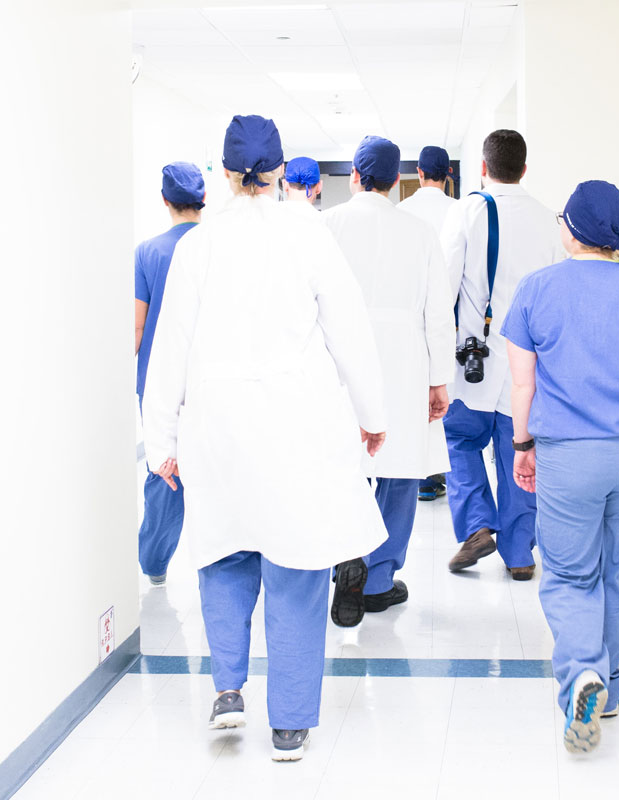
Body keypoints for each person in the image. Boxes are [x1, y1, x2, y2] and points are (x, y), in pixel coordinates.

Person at [142, 115, 389, 761]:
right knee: (296, 568)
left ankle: (228, 691)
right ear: (280, 171)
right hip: (296, 424)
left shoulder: (198, 245)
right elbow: (350, 331)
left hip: (217, 426)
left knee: (224, 554)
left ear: (224, 174)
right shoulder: (308, 236)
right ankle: (289, 725)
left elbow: (170, 348)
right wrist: (372, 414)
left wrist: (160, 438)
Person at [502, 179, 619, 753]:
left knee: (568, 576)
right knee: (613, 573)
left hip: (570, 460)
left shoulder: (537, 289)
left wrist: (521, 447)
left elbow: (522, 384)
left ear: (573, 229)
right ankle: (608, 689)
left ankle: (582, 673)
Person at [323, 135, 454, 625]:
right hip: (404, 362)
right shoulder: (419, 232)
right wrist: (439, 380)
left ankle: (343, 557)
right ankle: (377, 581)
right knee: (399, 472)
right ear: (397, 181)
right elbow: (439, 314)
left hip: (340, 360)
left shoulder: (326, 226)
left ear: (355, 177)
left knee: (342, 465)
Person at [441, 130, 563, 580]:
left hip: (473, 362)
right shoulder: (550, 220)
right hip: (528, 368)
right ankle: (519, 555)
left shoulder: (469, 210)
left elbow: (445, 286)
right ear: (524, 169)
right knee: (521, 452)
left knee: (458, 442)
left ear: (484, 168)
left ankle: (478, 525)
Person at [134, 161, 205, 586]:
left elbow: (138, 326)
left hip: (159, 377)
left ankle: (155, 564)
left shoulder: (148, 251)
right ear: (204, 200)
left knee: (165, 468)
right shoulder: (219, 244)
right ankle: (221, 561)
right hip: (209, 375)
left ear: (165, 201)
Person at [398, 145, 456, 502]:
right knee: (446, 397)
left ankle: (422, 477)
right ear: (448, 172)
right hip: (448, 317)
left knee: (414, 398)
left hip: (410, 320)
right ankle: (440, 475)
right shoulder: (461, 210)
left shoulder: (402, 212)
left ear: (418, 173)